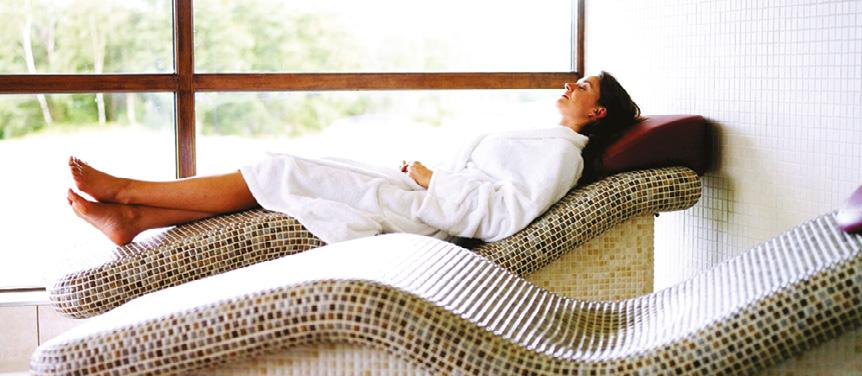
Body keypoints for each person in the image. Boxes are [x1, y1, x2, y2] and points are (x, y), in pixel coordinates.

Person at [67, 71, 640, 246]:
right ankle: (133, 219)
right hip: (423, 197)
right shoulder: (548, 141)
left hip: (428, 216)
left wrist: (433, 179)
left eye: (584, 86)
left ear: (597, 113)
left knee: (280, 171)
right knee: (289, 171)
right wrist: (428, 177)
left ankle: (126, 192)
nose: (571, 84)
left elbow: (501, 216)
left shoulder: (562, 158)